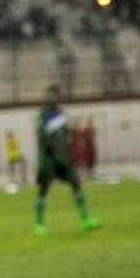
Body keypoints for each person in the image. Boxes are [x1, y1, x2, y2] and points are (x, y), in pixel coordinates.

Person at [33, 85, 101, 235]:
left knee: (76, 183)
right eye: (52, 95)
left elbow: (66, 135)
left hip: (63, 157)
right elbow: (40, 136)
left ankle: (86, 219)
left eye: (57, 95)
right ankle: (38, 224)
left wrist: (68, 149)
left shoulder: (60, 113)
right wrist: (48, 151)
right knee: (43, 190)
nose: (55, 98)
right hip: (48, 158)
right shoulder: (43, 115)